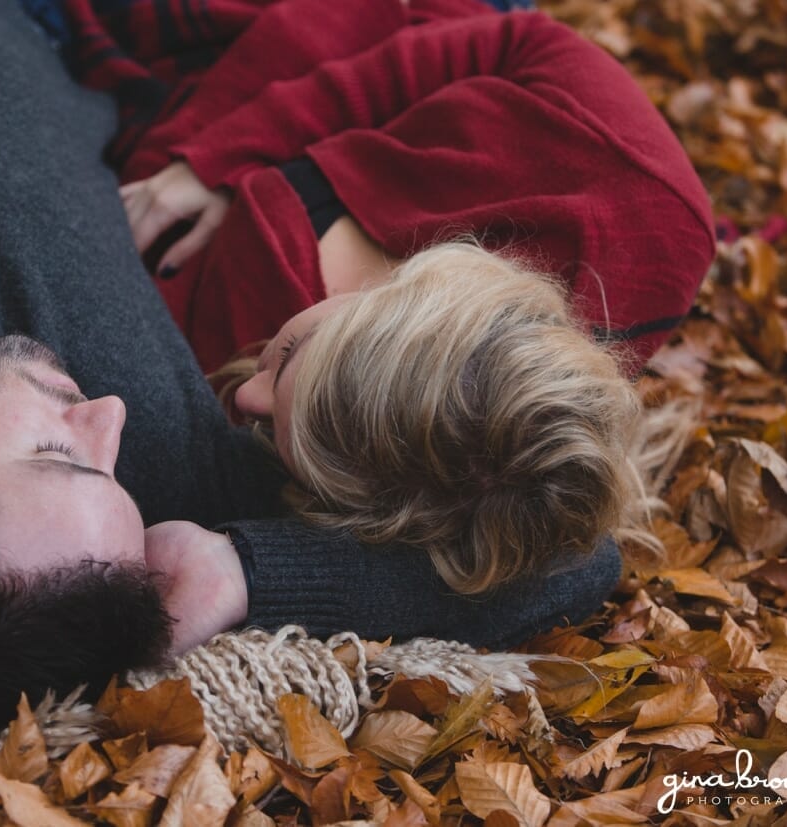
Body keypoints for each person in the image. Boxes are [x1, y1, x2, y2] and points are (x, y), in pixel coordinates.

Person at [0, 0, 623, 740]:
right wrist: (247, 568)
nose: (108, 412)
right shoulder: (153, 459)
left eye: (64, 455)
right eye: (79, 459)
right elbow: (569, 547)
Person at [55, 0, 715, 593]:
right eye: (289, 355)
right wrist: (209, 157)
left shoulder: (436, 476)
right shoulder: (637, 203)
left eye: (271, 430)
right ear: (398, 304)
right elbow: (505, 40)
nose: (245, 399)